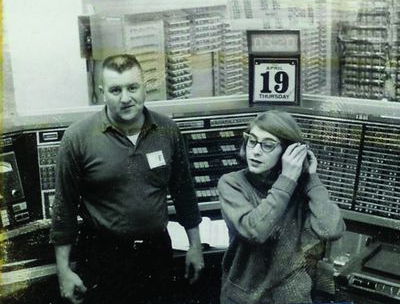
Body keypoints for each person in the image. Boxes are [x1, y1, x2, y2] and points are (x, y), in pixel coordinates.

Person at [50, 54, 204, 304]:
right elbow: (63, 208)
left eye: (132, 87)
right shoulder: (77, 138)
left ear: (145, 88)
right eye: (115, 90)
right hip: (103, 258)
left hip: (156, 253)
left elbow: (184, 193)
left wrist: (194, 246)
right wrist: (63, 271)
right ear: (102, 93)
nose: (125, 98)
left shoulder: (167, 130)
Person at [218, 110, 345, 304]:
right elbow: (255, 230)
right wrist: (287, 180)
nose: (256, 150)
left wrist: (311, 179)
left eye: (267, 145)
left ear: (288, 152)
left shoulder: (301, 187)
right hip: (244, 298)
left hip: (292, 297)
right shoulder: (232, 183)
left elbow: (331, 230)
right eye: (252, 141)